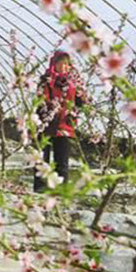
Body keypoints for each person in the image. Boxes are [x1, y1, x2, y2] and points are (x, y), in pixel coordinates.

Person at [34, 50, 87, 192]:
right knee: (42, 160)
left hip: (65, 125)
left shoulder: (73, 82)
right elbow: (40, 100)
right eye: (61, 64)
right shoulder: (46, 80)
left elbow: (80, 101)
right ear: (54, 64)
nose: (64, 67)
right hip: (46, 123)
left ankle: (60, 191)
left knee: (62, 161)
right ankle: (40, 190)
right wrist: (51, 107)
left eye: (67, 65)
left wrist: (82, 96)